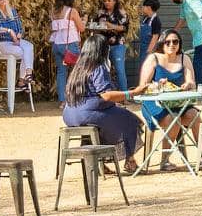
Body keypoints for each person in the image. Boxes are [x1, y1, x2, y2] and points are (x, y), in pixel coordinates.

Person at [61, 39, 142, 173]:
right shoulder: (98, 67)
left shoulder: (78, 68)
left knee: (107, 121)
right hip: (89, 113)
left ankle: (99, 163)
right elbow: (106, 95)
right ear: (103, 51)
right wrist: (132, 93)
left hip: (69, 114)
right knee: (130, 119)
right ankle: (130, 160)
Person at [137, 27, 202, 159]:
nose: (172, 45)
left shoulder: (184, 58)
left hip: (178, 103)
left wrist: (188, 84)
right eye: (168, 42)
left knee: (195, 115)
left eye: (175, 42)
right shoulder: (153, 58)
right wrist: (157, 85)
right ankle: (165, 160)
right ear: (162, 43)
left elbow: (191, 82)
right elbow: (142, 87)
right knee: (174, 118)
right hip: (155, 104)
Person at [0, 0, 35, 90]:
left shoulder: (12, 11)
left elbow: (20, 27)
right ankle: (22, 80)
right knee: (24, 52)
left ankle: (26, 76)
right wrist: (9, 31)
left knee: (29, 46)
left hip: (15, 41)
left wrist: (19, 35)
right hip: (2, 43)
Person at [89, 0, 130, 87]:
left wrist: (110, 25)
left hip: (118, 45)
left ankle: (125, 96)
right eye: (104, 1)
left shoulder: (121, 13)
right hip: (102, 45)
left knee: (120, 70)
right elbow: (96, 27)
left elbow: (124, 28)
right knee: (102, 70)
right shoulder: (100, 13)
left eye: (109, 0)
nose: (106, 3)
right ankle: (104, 94)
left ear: (115, 1)